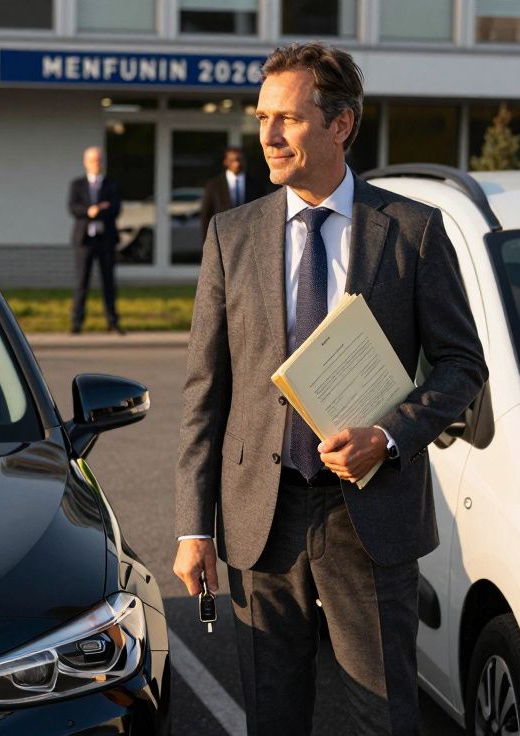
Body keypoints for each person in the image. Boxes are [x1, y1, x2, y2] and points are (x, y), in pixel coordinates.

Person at [173, 42, 487, 735]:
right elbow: (205, 390)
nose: (268, 136)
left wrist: (390, 436)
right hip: (264, 516)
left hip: (368, 516)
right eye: (261, 118)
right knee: (273, 716)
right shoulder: (233, 235)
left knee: (382, 716)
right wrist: (194, 527)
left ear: (340, 125)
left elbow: (464, 365)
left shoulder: (412, 230)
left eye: (286, 118)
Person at [67, 146, 124, 335]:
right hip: (84, 239)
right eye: (92, 160)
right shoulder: (78, 184)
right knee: (82, 281)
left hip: (105, 239)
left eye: (98, 160)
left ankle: (112, 320)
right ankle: (77, 321)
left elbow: (116, 208)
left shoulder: (111, 185)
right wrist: (89, 211)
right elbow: (73, 208)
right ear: (86, 162)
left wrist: (100, 209)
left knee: (109, 282)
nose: (95, 163)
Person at [200, 146, 264, 238]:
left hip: (249, 239)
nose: (237, 163)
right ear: (225, 162)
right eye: (233, 160)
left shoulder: (256, 185)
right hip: (222, 238)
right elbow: (206, 215)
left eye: (240, 159)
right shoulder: (214, 185)